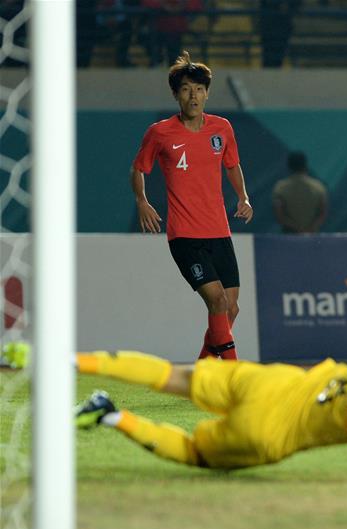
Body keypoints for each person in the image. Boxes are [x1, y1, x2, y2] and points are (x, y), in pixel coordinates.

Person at [74, 336, 347, 479]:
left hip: (274, 379)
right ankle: (111, 411)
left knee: (173, 375)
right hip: (269, 430)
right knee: (194, 453)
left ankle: (76, 362)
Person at [131, 51, 253, 361]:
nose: (193, 95)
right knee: (217, 301)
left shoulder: (222, 129)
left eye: (199, 89)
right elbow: (138, 169)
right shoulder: (160, 133)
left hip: (219, 231)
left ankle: (202, 370)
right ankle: (231, 373)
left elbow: (232, 165)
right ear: (176, 95)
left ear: (207, 93)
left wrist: (243, 197)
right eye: (186, 89)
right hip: (185, 236)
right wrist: (142, 201)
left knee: (232, 306)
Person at [272, 151, 329, 234]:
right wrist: (310, 229)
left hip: (289, 237)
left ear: (289, 166)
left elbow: (279, 215)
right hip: (312, 236)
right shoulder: (318, 187)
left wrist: (297, 229)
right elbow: (323, 213)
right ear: (305, 166)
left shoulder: (281, 188)